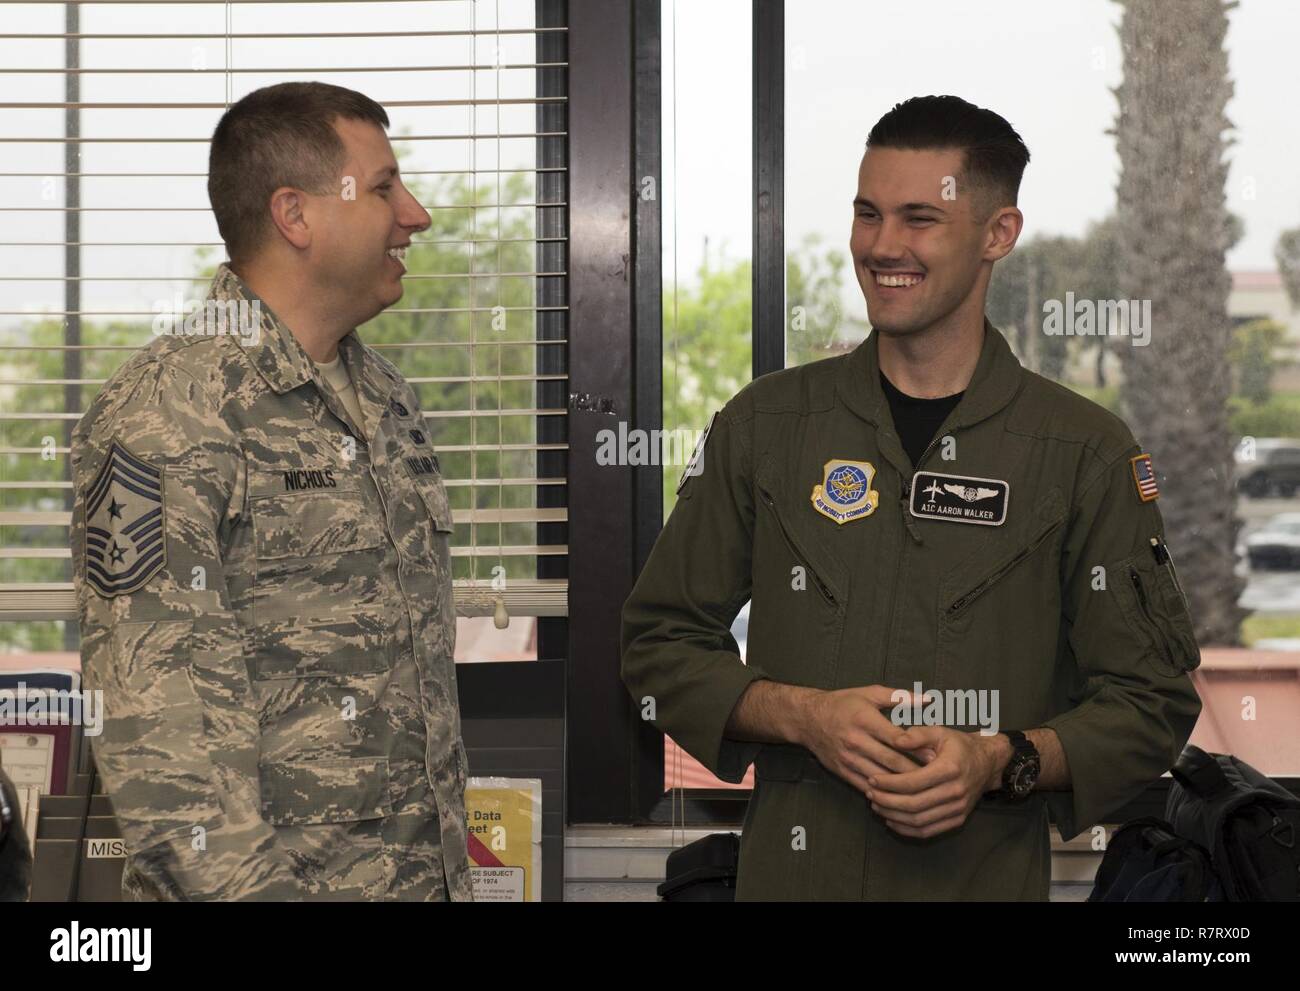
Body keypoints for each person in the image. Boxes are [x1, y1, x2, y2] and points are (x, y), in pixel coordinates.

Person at [621, 95, 1202, 900]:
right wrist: (802, 716)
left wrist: (1001, 759)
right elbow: (658, 643)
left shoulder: (1084, 454)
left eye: (919, 218)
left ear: (998, 233)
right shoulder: (768, 425)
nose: (881, 246)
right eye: (868, 214)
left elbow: (1151, 703)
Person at [70, 82, 472, 901]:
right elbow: (162, 750)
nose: (416, 216)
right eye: (386, 187)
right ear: (296, 216)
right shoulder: (166, 409)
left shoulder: (388, 400)